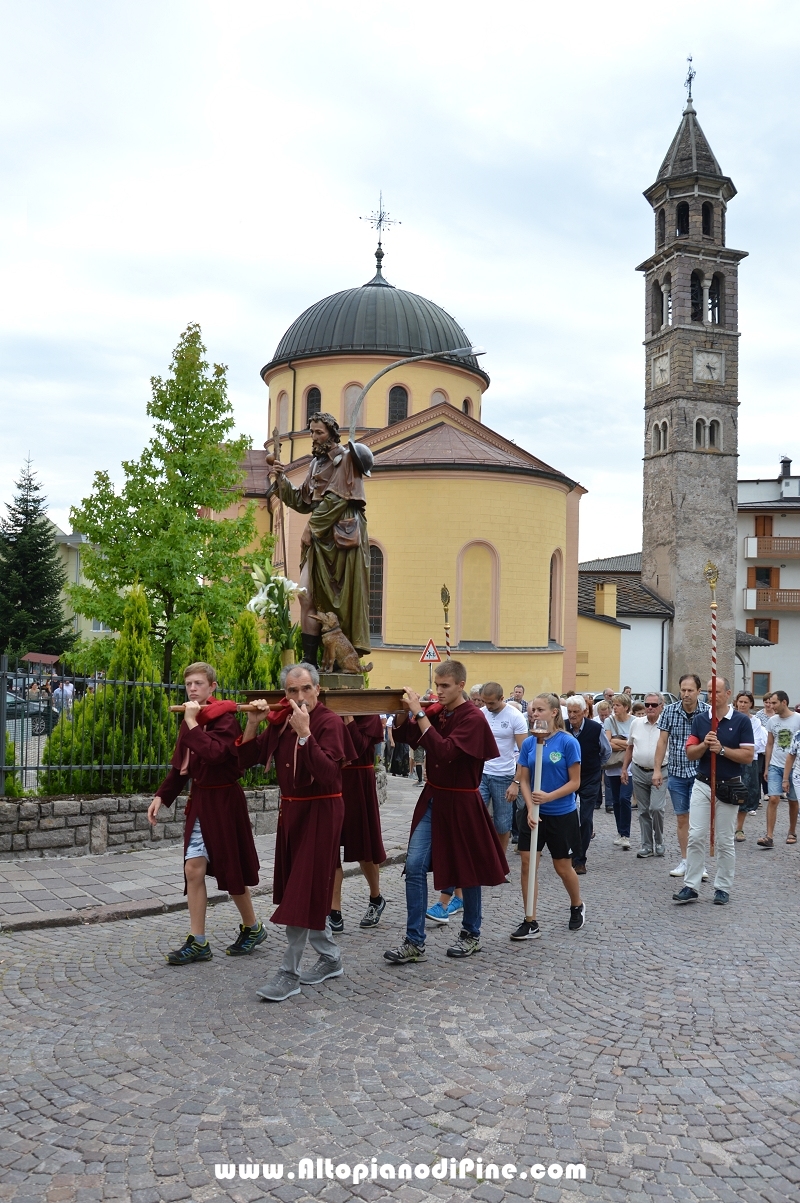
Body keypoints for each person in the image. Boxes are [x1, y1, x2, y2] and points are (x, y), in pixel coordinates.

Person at [237, 663, 356, 1001]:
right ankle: (331, 958)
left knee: (301, 892)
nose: (299, 696)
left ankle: (288, 973)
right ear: (285, 693)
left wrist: (306, 734)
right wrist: (252, 722)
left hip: (322, 811)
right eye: (292, 691)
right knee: (300, 888)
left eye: (306, 689)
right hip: (292, 814)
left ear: (317, 690)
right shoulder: (279, 722)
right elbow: (245, 758)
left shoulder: (329, 723)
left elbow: (329, 774)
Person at [383, 661, 507, 964]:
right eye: (437, 686)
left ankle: (471, 934)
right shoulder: (438, 713)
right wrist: (402, 711)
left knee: (468, 869)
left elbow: (445, 751)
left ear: (461, 685)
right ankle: (414, 942)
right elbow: (406, 737)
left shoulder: (473, 719)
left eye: (445, 686)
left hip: (462, 802)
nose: (438, 691)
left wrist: (420, 713)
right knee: (413, 865)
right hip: (434, 798)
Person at [148, 662, 263, 965]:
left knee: (231, 869)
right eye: (189, 685)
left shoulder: (226, 720)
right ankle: (198, 942)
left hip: (225, 802)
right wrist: (162, 795)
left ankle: (252, 927)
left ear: (213, 687)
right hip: (200, 803)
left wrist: (192, 724)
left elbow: (213, 754)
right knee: (193, 869)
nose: (193, 689)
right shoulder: (191, 719)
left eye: (199, 683)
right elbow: (181, 766)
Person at [270, 411, 370, 666]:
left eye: (319, 432)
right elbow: (303, 500)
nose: (314, 437)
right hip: (319, 538)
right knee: (305, 595)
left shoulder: (346, 458)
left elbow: (338, 498)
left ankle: (339, 658)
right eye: (312, 432)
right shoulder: (316, 463)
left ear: (332, 434)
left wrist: (310, 528)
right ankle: (308, 661)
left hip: (340, 537)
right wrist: (280, 480)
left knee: (339, 602)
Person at [672, 677, 754, 906]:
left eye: (716, 691)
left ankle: (723, 888)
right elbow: (690, 753)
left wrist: (723, 750)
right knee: (696, 835)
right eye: (708, 691)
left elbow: (748, 756)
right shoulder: (700, 720)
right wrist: (705, 745)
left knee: (725, 840)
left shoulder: (740, 722)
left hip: (728, 785)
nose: (711, 695)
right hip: (703, 783)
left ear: (728, 694)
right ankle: (691, 886)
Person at [510, 692, 584, 940]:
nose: (534, 714)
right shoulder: (530, 743)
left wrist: (549, 797)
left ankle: (577, 905)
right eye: (532, 710)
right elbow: (524, 779)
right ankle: (530, 920)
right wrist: (531, 808)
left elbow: (575, 782)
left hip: (561, 814)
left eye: (540, 710)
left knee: (562, 866)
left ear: (554, 713)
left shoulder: (567, 742)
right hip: (533, 814)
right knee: (527, 864)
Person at [328, 713, 387, 932]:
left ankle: (376, 897)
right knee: (331, 849)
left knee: (364, 848)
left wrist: (348, 717)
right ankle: (334, 911)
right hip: (335, 782)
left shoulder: (369, 715)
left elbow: (358, 746)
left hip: (359, 784)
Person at [654, 674, 710, 878]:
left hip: (700, 774)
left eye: (690, 690)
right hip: (677, 773)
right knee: (681, 818)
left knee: (699, 821)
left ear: (698, 691)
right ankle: (686, 860)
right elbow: (662, 742)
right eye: (683, 690)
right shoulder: (669, 711)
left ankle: (699, 863)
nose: (686, 694)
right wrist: (658, 769)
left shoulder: (707, 712)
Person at [477, 682, 528, 854]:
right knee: (475, 817)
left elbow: (525, 753)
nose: (487, 706)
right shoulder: (481, 714)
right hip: (481, 774)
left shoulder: (515, 716)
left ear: (501, 698)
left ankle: (499, 862)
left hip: (504, 775)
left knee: (502, 822)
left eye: (491, 703)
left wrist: (516, 781)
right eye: (484, 702)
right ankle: (479, 858)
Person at [566, 695, 609, 875]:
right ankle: (567, 851)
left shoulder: (595, 728)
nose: (572, 715)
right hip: (567, 777)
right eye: (569, 712)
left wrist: (596, 766)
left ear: (584, 711)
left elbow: (606, 751)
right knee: (567, 816)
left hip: (590, 777)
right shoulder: (563, 727)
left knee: (585, 817)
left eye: (576, 712)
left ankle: (580, 858)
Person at [621, 693, 668, 858]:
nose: (649, 707)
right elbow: (630, 747)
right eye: (647, 704)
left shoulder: (666, 723)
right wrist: (624, 769)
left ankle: (660, 841)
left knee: (656, 808)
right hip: (639, 770)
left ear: (661, 706)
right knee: (643, 810)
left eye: (654, 705)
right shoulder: (636, 723)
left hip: (661, 770)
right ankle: (646, 845)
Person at [758, 691, 800, 849]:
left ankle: (792, 831)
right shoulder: (772, 721)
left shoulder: (798, 719)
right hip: (775, 766)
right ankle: (769, 836)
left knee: (793, 801)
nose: (771, 706)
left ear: (784, 702)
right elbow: (769, 744)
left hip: (795, 768)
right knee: (773, 798)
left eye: (774, 703)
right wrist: (767, 767)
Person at [734, 692, 766, 841]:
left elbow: (758, 743)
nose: (742, 705)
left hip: (749, 761)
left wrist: (744, 748)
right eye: (740, 701)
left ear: (751, 704)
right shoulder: (731, 718)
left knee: (745, 793)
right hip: (731, 759)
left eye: (746, 702)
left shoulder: (755, 722)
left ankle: (739, 828)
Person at [603, 694, 634, 849]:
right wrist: (628, 744)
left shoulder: (634, 721)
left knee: (624, 799)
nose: (614, 708)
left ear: (626, 707)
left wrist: (618, 741)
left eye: (618, 705)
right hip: (613, 766)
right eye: (613, 705)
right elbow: (608, 744)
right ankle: (620, 833)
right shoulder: (609, 721)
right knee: (615, 801)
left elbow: (636, 744)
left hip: (629, 768)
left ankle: (626, 834)